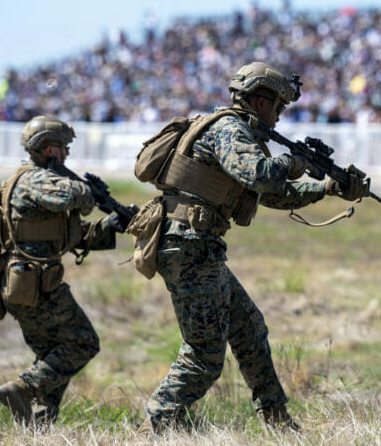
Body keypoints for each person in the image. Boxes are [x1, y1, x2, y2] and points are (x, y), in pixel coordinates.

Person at [144, 62, 369, 432]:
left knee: (249, 328)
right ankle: (161, 418)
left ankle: (276, 419)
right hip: (189, 245)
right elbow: (260, 176)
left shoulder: (238, 132)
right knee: (204, 355)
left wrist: (329, 188)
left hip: (197, 246)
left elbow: (273, 196)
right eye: (278, 107)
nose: (279, 117)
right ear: (260, 100)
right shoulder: (229, 129)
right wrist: (296, 162)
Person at [0, 115, 129, 425]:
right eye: (64, 148)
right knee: (83, 343)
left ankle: (41, 424)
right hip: (34, 285)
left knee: (54, 357)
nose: (68, 154)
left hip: (27, 283)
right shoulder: (34, 180)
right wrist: (90, 192)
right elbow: (75, 198)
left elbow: (64, 234)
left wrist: (110, 225)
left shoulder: (40, 181)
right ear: (50, 150)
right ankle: (22, 389)